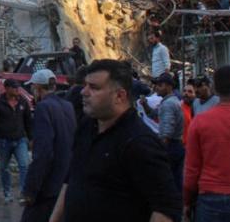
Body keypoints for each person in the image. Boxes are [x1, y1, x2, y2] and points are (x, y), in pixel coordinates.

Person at [50, 59, 181, 222]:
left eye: (94, 87)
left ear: (119, 95)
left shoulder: (139, 142)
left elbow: (165, 208)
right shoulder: (86, 127)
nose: (83, 92)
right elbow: (71, 180)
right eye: (85, 85)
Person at [183, 65, 230, 221]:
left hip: (209, 200)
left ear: (215, 89)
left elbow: (191, 169)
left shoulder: (199, 122)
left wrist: (187, 202)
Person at [22, 70, 75, 221]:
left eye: (33, 87)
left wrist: (30, 190)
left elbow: (43, 153)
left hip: (48, 186)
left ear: (38, 88)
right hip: (65, 183)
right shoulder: (67, 106)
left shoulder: (43, 108)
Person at [0, 79, 32, 203]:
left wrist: (31, 138)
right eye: (14, 87)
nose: (17, 90)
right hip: (4, 141)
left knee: (24, 165)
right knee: (4, 168)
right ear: (6, 88)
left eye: (18, 87)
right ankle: (7, 193)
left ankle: (23, 192)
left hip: (20, 140)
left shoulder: (23, 102)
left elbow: (28, 121)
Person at [145, 73, 185, 197]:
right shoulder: (169, 101)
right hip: (175, 145)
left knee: (168, 182)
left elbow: (166, 133)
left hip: (171, 146)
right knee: (175, 180)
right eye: (156, 85)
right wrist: (144, 105)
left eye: (160, 85)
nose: (156, 87)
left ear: (169, 87)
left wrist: (160, 152)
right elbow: (154, 115)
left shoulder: (168, 104)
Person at [181, 80, 195, 145]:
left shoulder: (198, 109)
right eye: (184, 91)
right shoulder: (178, 108)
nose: (186, 93)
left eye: (190, 91)